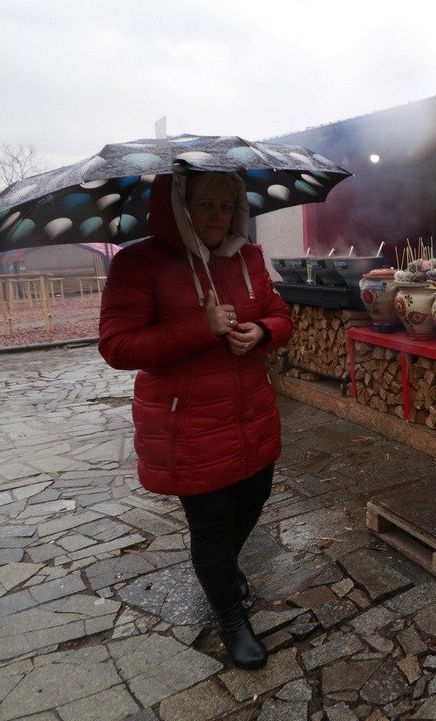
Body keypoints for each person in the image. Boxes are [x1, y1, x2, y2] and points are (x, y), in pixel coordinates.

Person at [98, 170, 293, 669]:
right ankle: (230, 617)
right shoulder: (138, 264)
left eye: (226, 206)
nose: (217, 217)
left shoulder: (247, 255)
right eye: (205, 205)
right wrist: (200, 327)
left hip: (252, 410)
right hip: (188, 424)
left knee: (255, 498)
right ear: (179, 207)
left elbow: (279, 313)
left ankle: (221, 572)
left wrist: (263, 331)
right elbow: (118, 347)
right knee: (210, 525)